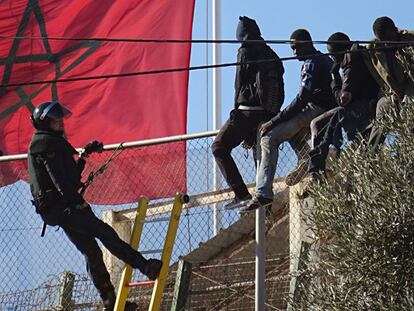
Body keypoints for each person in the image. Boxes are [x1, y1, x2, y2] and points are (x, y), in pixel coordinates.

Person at [27, 101, 162, 311]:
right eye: (56, 120)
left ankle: (110, 303)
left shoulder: (47, 144)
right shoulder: (46, 145)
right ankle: (145, 266)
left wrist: (83, 155)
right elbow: (63, 184)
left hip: (60, 210)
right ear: (44, 123)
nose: (61, 124)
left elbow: (67, 178)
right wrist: (77, 204)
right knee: (104, 232)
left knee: (91, 251)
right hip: (64, 209)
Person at [240, 29, 336, 212]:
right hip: (327, 111)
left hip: (316, 109)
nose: (294, 53)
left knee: (269, 137)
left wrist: (274, 121)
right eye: (292, 48)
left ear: (307, 43)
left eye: (296, 48)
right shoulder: (324, 59)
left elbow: (302, 99)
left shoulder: (311, 63)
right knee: (292, 132)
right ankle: (306, 159)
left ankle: (263, 193)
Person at [212, 16, 285, 209]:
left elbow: (239, 84)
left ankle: (241, 193)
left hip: (247, 112)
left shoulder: (244, 51)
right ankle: (265, 207)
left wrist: (236, 113)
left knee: (219, 147)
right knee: (259, 158)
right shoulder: (272, 53)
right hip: (267, 114)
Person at [304, 32, 380, 179]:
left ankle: (318, 167)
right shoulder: (357, 55)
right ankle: (330, 156)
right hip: (364, 107)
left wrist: (334, 79)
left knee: (323, 122)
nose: (332, 58)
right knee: (321, 122)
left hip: (366, 109)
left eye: (333, 54)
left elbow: (342, 99)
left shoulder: (351, 63)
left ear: (340, 51)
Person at [367, 16, 414, 148]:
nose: (387, 42)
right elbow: (378, 72)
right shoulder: (374, 48)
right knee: (382, 115)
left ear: (395, 30)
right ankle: (372, 157)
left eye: (389, 38)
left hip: (411, 87)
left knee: (409, 111)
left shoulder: (410, 39)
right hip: (392, 92)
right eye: (383, 40)